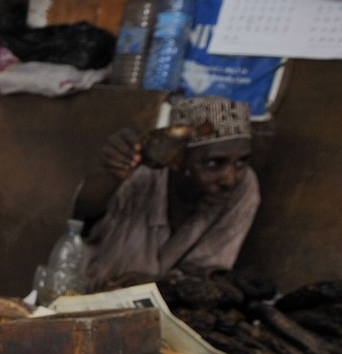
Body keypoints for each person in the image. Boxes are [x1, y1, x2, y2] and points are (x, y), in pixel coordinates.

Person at [73, 96, 260, 291]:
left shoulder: (243, 186)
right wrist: (110, 175)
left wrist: (161, 285)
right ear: (177, 159)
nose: (229, 179)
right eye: (213, 164)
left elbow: (207, 276)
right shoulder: (140, 175)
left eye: (241, 162)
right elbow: (84, 215)